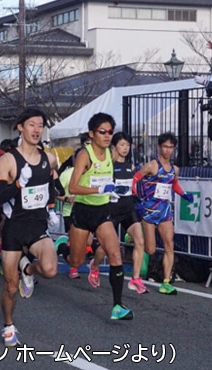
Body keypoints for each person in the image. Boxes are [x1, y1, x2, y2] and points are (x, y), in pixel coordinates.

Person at [0, 108, 59, 346]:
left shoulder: (49, 158)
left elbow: (51, 185)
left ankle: (28, 270)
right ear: (20, 127)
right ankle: (8, 325)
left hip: (37, 226)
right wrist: (18, 184)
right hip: (14, 227)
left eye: (40, 125)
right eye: (31, 124)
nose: (36, 130)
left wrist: (51, 206)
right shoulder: (9, 160)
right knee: (10, 285)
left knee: (50, 269)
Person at [68, 112, 133, 320]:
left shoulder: (112, 155)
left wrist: (115, 189)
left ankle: (117, 306)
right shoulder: (84, 155)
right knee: (75, 261)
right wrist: (99, 189)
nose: (107, 136)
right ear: (92, 133)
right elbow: (73, 187)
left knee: (114, 254)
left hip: (103, 211)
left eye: (110, 132)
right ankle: (62, 246)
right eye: (102, 132)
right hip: (83, 211)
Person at [89, 132, 151, 293]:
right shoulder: (108, 166)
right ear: (114, 147)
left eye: (127, 145)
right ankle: (94, 266)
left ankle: (135, 279)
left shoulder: (130, 166)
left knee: (140, 240)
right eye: (122, 145)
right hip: (112, 210)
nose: (125, 148)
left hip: (128, 209)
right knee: (105, 246)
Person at [132, 132, 194, 295]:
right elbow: (135, 179)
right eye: (165, 146)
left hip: (165, 211)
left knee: (169, 245)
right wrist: (137, 198)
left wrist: (184, 195)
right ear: (160, 147)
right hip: (149, 211)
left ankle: (166, 282)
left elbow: (174, 185)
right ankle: (132, 237)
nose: (168, 150)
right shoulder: (152, 165)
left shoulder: (174, 169)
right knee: (151, 249)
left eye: (171, 147)